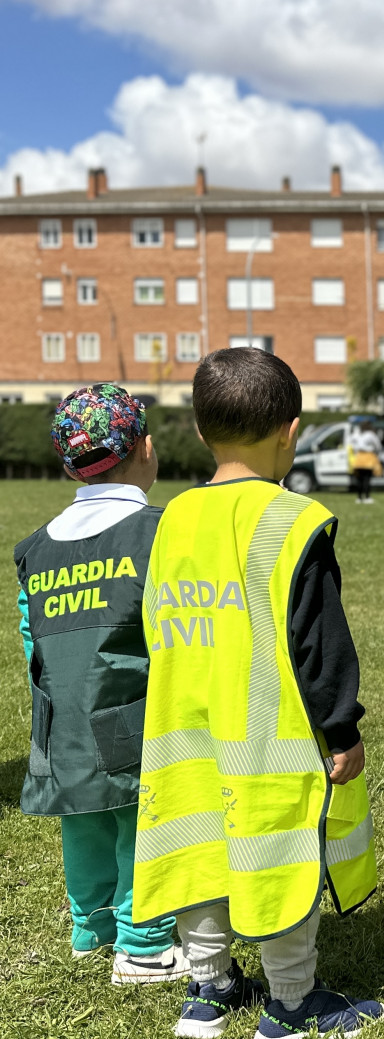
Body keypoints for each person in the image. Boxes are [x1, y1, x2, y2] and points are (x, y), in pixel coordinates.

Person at [132, 347, 383, 1039]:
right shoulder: (294, 520)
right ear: (291, 431)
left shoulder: (172, 517)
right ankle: (293, 1003)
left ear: (201, 431)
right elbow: (320, 645)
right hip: (269, 739)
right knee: (278, 862)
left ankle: (208, 993)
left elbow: (155, 616)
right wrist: (342, 729)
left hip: (184, 733)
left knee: (199, 855)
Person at [14, 384, 188, 985]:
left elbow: (30, 632)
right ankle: (143, 946)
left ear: (68, 465)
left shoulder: (34, 548)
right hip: (131, 713)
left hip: (58, 715)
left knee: (83, 819)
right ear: (144, 447)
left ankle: (92, 927)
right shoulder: (158, 531)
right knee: (143, 822)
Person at [348, 417, 383, 505]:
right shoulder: (371, 434)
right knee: (367, 479)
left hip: (359, 457)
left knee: (359, 479)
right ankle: (367, 497)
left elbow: (350, 443)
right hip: (368, 458)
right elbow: (378, 446)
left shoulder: (356, 434)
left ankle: (359, 498)